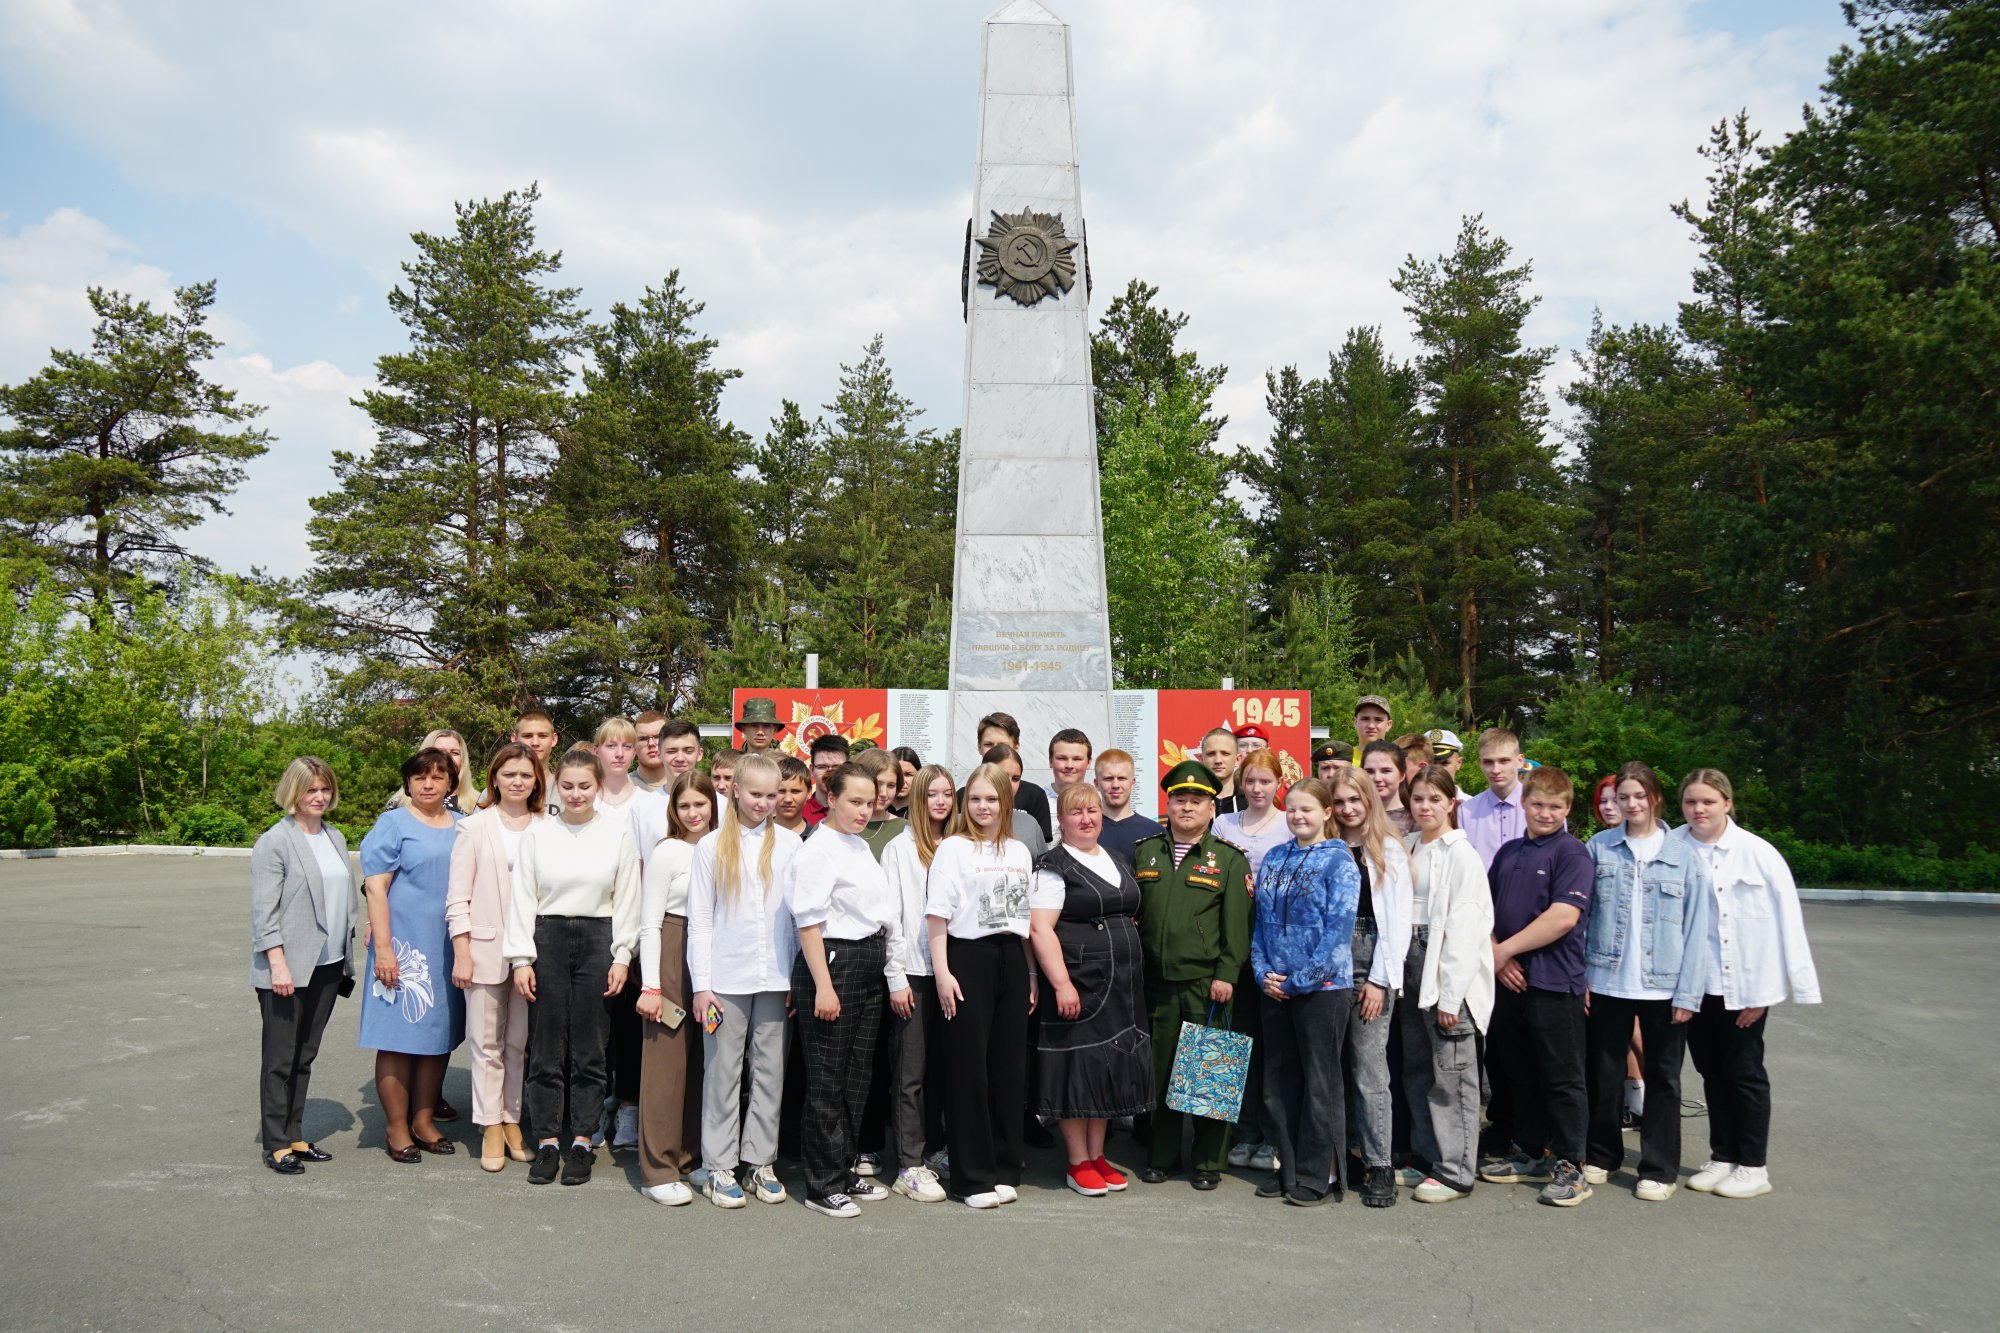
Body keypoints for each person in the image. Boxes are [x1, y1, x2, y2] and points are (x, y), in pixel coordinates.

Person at [1674, 767, 1822, 1200]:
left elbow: (1786, 925)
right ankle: (1723, 1156)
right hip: (1694, 989)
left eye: (1708, 801)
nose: (1699, 809)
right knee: (1710, 1073)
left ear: (1727, 803)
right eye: (1690, 802)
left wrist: (1767, 992)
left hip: (1745, 988)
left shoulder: (1758, 853)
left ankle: (1753, 1165)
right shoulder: (1673, 848)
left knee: (1744, 1073)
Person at [505, 747, 642, 1187]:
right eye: (568, 786)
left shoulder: (617, 834)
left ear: (598, 787)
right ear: (555, 787)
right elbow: (523, 899)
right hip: (547, 936)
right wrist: (522, 960)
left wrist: (622, 956)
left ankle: (582, 1139)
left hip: (598, 940)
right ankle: (547, 1141)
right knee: (545, 1048)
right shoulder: (538, 834)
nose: (577, 794)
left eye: (585, 786)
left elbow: (628, 899)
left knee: (590, 1048)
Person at [1582, 762, 1712, 1203]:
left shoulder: (1682, 856)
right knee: (1604, 1073)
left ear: (1655, 798)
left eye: (1639, 796)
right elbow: (1584, 920)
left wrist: (1689, 993)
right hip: (1606, 981)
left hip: (1664, 987)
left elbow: (1697, 929)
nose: (1631, 804)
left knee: (1664, 1079)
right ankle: (1601, 1156)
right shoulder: (1599, 848)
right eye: (1623, 797)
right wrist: (1580, 978)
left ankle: (1658, 1168)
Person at [787, 763, 912, 1218]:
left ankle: (843, 1167)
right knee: (826, 1078)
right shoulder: (817, 849)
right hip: (833, 963)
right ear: (830, 798)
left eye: (870, 800)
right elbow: (808, 920)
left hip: (868, 961)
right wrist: (823, 984)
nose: (864, 809)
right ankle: (822, 1185)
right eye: (854, 801)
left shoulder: (858, 846)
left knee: (857, 1076)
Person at [687, 752, 802, 1208]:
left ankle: (760, 1161)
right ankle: (718, 1165)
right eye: (756, 793)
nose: (765, 803)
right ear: (734, 789)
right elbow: (700, 919)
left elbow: (796, 920)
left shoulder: (792, 845)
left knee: (770, 1072)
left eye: (773, 795)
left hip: (775, 978)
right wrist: (702, 985)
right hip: (725, 979)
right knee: (722, 1073)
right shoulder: (710, 846)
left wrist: (795, 976)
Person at [1132, 760, 1253, 1190]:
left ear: (1211, 808)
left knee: (1210, 1071)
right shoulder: (1145, 851)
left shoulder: (1228, 860)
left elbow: (1237, 925)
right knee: (1162, 1071)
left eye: (1196, 800)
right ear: (1168, 803)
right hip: (1156, 982)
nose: (1187, 806)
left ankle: (1207, 1162)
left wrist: (1227, 974)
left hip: (1208, 983)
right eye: (1179, 798)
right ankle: (1162, 1156)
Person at [1478, 765, 1596, 1207]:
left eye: (1555, 806)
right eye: (1538, 804)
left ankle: (1570, 1163)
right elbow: (1483, 911)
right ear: (1524, 804)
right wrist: (1497, 953)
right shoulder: (1508, 853)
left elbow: (1563, 916)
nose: (1545, 813)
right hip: (1510, 983)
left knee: (1562, 1078)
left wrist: (1503, 951)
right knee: (1517, 1073)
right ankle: (1529, 1149)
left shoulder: (1572, 854)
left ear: (1567, 809)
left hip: (1554, 982)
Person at [1029, 783, 1153, 1198]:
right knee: (1078, 1072)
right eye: (1075, 812)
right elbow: (1039, 929)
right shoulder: (1053, 865)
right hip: (1081, 984)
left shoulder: (1115, 858)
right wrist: (1061, 984)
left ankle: (1099, 1156)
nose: (1086, 818)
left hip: (1123, 985)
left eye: (1093, 811)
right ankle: (1077, 1161)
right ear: (1061, 821)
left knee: (1109, 1068)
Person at [925, 762, 1037, 1209]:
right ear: (963, 803)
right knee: (968, 1068)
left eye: (991, 798)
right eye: (974, 798)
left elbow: (1024, 917)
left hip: (1012, 957)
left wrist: (1030, 972)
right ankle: (972, 1178)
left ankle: (1005, 1166)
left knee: (1008, 1067)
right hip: (966, 958)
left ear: (1005, 802)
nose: (983, 806)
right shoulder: (952, 848)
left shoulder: (1019, 851)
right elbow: (937, 915)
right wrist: (943, 973)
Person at [1250, 777, 1361, 1205]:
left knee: (1320, 1083)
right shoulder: (1276, 857)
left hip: (1323, 989)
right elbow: (1260, 923)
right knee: (1278, 1084)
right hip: (1275, 986)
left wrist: (1299, 982)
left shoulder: (1340, 862)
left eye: (1307, 809)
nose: (1298, 816)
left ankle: (1321, 1174)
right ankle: (1289, 1166)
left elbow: (1338, 934)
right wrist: (1263, 973)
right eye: (1292, 808)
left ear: (1326, 813)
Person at [250, 756, 359, 1175]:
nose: (319, 796)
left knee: (305, 1055)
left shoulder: (334, 836)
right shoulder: (274, 842)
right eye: (311, 790)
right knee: (280, 1057)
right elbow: (264, 914)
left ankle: (294, 1133)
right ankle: (276, 1143)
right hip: (287, 969)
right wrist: (277, 965)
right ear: (293, 793)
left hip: (328, 965)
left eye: (325, 789)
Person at [359, 747, 467, 1162]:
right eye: (420, 777)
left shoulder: (463, 826)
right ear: (408, 782)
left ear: (450, 784)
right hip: (402, 948)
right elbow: (376, 889)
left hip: (446, 947)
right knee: (398, 1039)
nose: (428, 784)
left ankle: (424, 1121)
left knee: (437, 1038)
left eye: (438, 777)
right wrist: (384, 950)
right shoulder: (393, 824)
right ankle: (396, 1127)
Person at [1400, 764, 1495, 1204]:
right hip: (1409, 963)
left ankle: (1457, 1168)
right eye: (1418, 798)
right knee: (1418, 1068)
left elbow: (1465, 928)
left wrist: (1451, 995)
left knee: (1452, 1072)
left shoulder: (1462, 855)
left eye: (1435, 799)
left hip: (1443, 968)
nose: (1425, 806)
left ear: (1451, 803)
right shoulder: (1410, 845)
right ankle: (1426, 1156)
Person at [446, 743, 542, 1172]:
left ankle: (512, 1120)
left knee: (518, 1043)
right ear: (495, 779)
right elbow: (457, 898)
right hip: (483, 949)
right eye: (509, 775)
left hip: (532, 953)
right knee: (486, 1043)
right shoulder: (473, 827)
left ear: (537, 779)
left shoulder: (547, 825)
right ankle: (488, 1124)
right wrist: (461, 952)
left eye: (525, 775)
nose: (517, 782)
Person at [1325, 767, 1413, 1207]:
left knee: (1368, 1067)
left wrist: (1379, 980)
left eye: (1355, 800)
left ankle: (1381, 1164)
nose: (1347, 809)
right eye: (1339, 802)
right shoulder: (1326, 847)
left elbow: (1395, 923)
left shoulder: (1388, 849)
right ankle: (1346, 1156)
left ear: (1370, 802)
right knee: (1333, 1067)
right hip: (1330, 959)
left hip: (1370, 954)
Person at [633, 770, 717, 1206]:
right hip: (670, 950)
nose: (693, 813)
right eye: (684, 806)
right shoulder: (667, 852)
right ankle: (658, 1168)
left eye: (700, 804)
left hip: (713, 957)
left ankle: (690, 1156)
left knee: (703, 1061)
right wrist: (651, 985)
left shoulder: (723, 847)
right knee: (667, 1063)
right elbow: (648, 923)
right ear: (673, 810)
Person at [880, 764, 955, 1203]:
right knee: (910, 1072)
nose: (941, 802)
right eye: (932, 794)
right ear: (918, 798)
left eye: (948, 794)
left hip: (952, 970)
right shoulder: (899, 848)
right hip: (912, 970)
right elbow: (891, 916)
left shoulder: (962, 845)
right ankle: (908, 1163)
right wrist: (895, 977)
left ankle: (935, 1149)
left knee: (944, 1070)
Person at [1215, 748, 1289, 1173]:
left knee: (1273, 1049)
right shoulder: (1225, 823)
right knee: (1234, 1043)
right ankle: (1241, 1133)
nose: (1257, 788)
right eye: (1250, 781)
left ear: (1278, 783)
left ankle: (1274, 1136)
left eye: (1265, 781)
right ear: (1240, 784)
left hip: (1274, 949)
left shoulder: (1287, 822)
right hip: (1233, 947)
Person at [594, 715, 658, 1152]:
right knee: (595, 1027)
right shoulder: (580, 795)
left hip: (633, 926)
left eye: (626, 746)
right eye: (610, 745)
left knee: (631, 1026)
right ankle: (596, 1106)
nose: (618, 752)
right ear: (596, 750)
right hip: (590, 924)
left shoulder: (649, 804)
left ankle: (631, 1108)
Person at [977, 712, 1052, 842]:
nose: (995, 750)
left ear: (1016, 747)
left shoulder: (1034, 795)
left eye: (1002, 745)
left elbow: (1040, 850)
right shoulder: (963, 795)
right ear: (979, 747)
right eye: (988, 744)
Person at [1459, 728, 1527, 870]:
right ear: (1480, 763)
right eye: (1488, 762)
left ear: (1520, 761)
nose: (1495, 770)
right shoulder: (1465, 812)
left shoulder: (1543, 809)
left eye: (1504, 761)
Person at [1093, 748, 1161, 870]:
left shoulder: (1154, 832)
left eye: (1122, 778)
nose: (1115, 785)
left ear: (1133, 783)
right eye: (1108, 779)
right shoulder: (1087, 829)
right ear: (1096, 783)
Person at [385, 728, 479, 816]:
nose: (447, 757)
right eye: (439, 752)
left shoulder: (478, 804)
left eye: (454, 753)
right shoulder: (399, 803)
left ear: (463, 759)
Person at [977, 743, 1049, 858]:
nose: (1009, 784)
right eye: (1003, 776)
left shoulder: (1030, 824)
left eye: (1015, 779)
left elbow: (1042, 868)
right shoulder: (959, 823)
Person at [851, 747, 908, 860]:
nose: (883, 793)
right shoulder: (834, 826)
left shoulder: (906, 830)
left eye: (891, 785)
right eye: (877, 784)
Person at [1360, 740, 1414, 837]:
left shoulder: (1416, 820)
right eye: (1369, 771)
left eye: (1386, 771)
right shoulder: (1352, 817)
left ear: (1402, 775)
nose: (1377, 778)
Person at [512, 710, 561, 813]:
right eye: (527, 736)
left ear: (554, 739)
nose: (535, 743)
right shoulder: (498, 790)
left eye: (542, 736)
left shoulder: (568, 789)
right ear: (515, 739)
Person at [803, 733, 851, 827]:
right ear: (812, 770)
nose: (830, 773)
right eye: (822, 767)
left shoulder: (858, 812)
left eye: (836, 767)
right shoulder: (798, 813)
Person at [1199, 727, 1244, 816]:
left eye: (1225, 753)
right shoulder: (1191, 802)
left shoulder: (1250, 802)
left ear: (1237, 759)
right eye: (1211, 754)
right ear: (1201, 759)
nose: (1218, 760)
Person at [1047, 728, 1094, 812]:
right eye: (1062, 758)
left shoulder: (1100, 801)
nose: (1069, 765)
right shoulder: (1037, 800)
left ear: (1089, 763)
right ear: (1051, 761)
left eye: (1077, 759)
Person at [632, 710, 672, 791]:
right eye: (643, 738)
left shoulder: (690, 785)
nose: (651, 743)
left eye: (657, 736)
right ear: (634, 746)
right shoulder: (621, 787)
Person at [658, 720, 705, 788]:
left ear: (700, 754)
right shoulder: (648, 799)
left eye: (688, 751)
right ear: (659, 754)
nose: (680, 759)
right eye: (671, 751)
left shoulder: (716, 798)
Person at [774, 756, 812, 836]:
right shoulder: (757, 834)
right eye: (781, 791)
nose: (788, 799)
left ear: (809, 792)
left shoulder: (816, 838)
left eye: (795, 791)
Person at [888, 746, 921, 819]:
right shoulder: (875, 810)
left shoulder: (924, 812)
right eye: (897, 774)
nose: (901, 781)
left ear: (919, 775)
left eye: (908, 774)